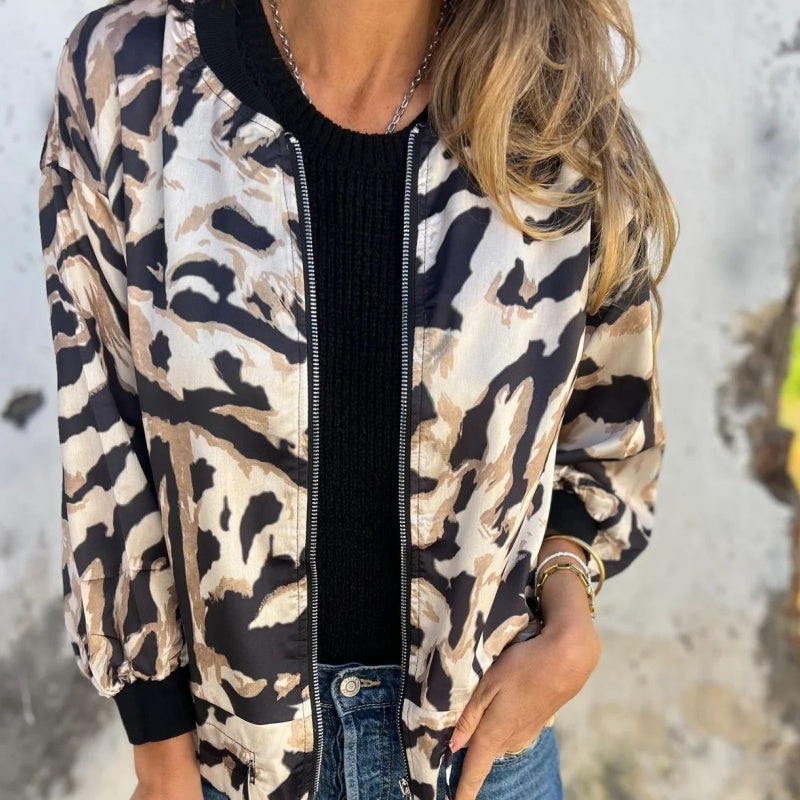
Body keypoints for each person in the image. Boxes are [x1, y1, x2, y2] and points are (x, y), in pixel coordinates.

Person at [36, 0, 676, 798]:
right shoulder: (133, 76)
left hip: (480, 761)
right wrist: (160, 755)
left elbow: (608, 429)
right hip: (224, 766)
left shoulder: (551, 113)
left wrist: (569, 604)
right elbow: (102, 435)